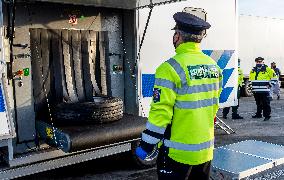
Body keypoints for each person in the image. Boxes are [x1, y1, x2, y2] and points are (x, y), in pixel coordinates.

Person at [135, 12, 222, 180]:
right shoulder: (214, 67)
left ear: (177, 36)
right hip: (205, 152)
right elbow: (213, 107)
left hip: (176, 154)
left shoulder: (169, 68)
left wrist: (146, 145)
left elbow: (161, 114)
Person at [249, 57, 276, 121]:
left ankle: (267, 116)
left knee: (266, 104)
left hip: (264, 90)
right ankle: (258, 114)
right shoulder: (253, 70)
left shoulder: (268, 69)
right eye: (257, 62)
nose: (259, 63)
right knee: (258, 103)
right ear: (256, 62)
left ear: (263, 62)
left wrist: (270, 85)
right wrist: (251, 87)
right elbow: (250, 79)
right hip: (256, 91)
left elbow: (274, 78)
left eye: (260, 62)